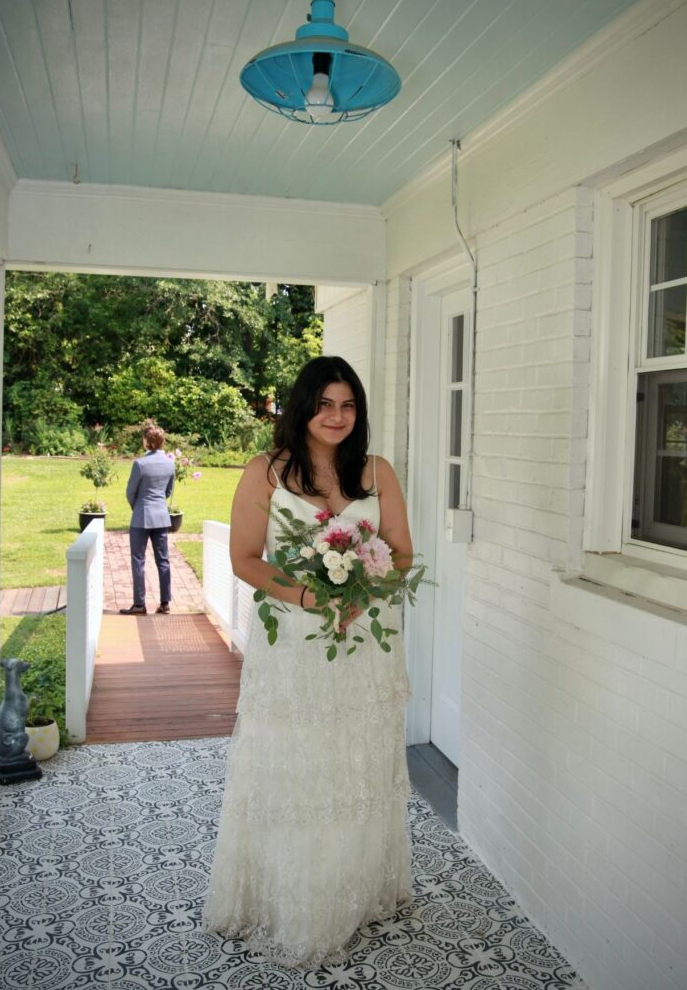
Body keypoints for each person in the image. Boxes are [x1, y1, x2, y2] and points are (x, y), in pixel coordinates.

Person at [203, 356, 414, 967]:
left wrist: (358, 595)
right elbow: (245, 557)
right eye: (325, 404)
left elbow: (401, 554)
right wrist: (308, 595)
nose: (337, 417)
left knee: (356, 760)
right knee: (296, 762)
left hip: (364, 641)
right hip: (292, 642)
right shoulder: (266, 471)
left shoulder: (377, 472)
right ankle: (291, 893)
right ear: (303, 407)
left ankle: (354, 887)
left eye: (348, 406)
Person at [120, 420, 175, 616]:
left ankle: (139, 604)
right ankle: (165, 603)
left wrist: (138, 507)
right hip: (161, 516)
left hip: (141, 517)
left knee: (138, 560)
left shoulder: (140, 464)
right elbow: (168, 491)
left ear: (147, 442)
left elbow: (130, 492)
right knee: (163, 560)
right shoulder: (170, 464)